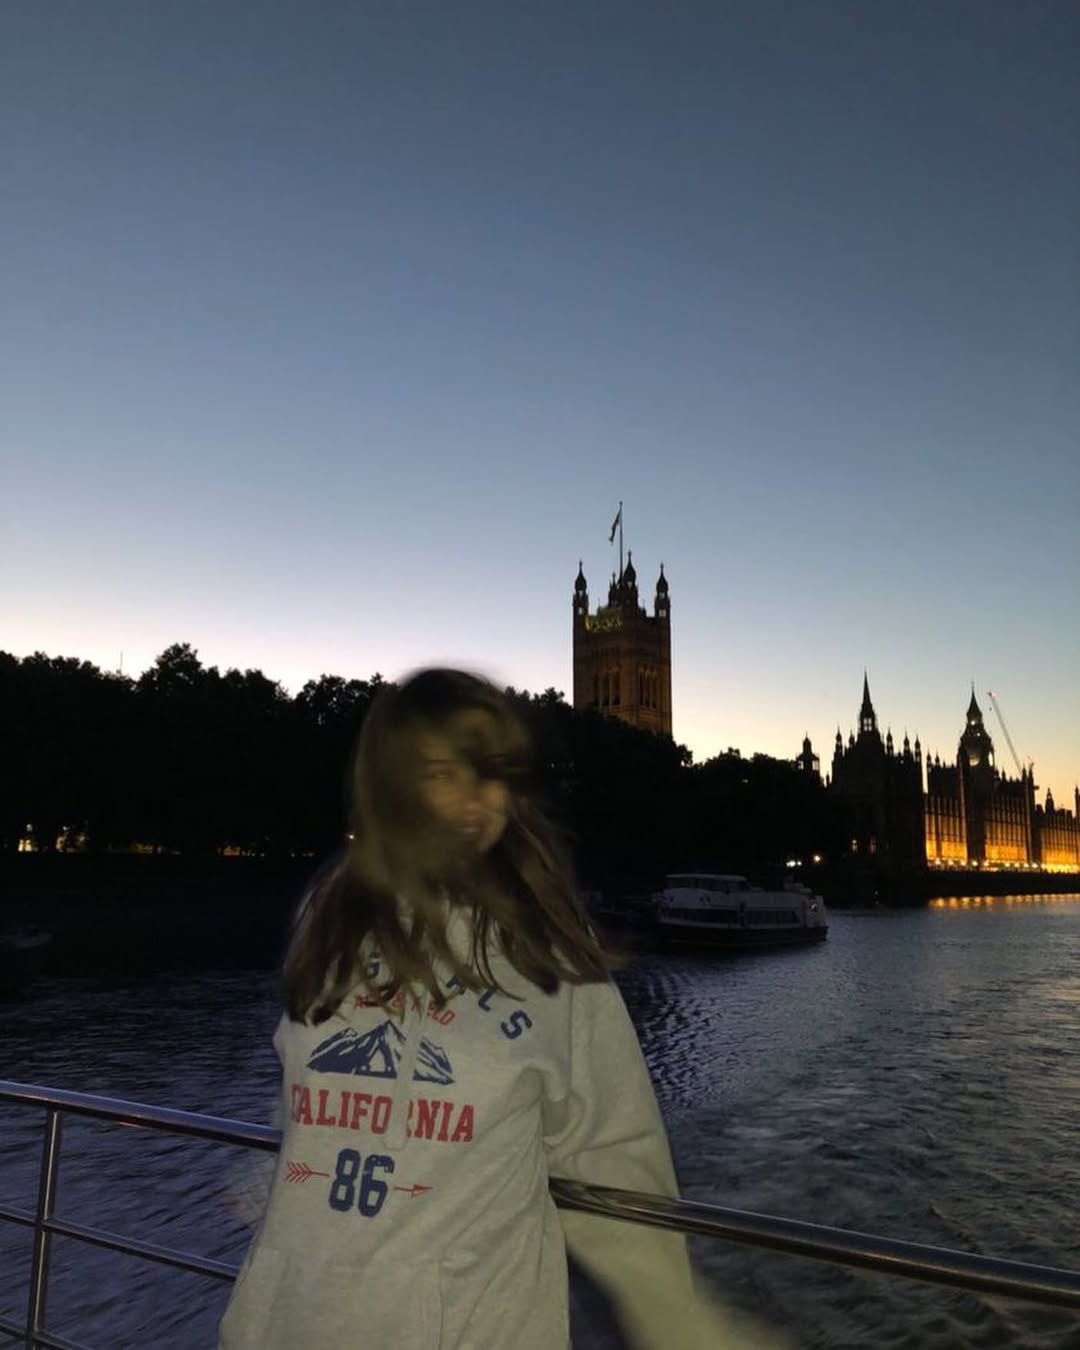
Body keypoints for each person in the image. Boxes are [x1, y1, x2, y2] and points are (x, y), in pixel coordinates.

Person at [219, 667, 788, 1350]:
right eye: (442, 772)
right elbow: (313, 1080)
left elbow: (614, 1154)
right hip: (286, 1323)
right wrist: (274, 1174)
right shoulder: (331, 916)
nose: (476, 798)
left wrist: (676, 1318)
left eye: (492, 773)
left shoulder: (549, 956)